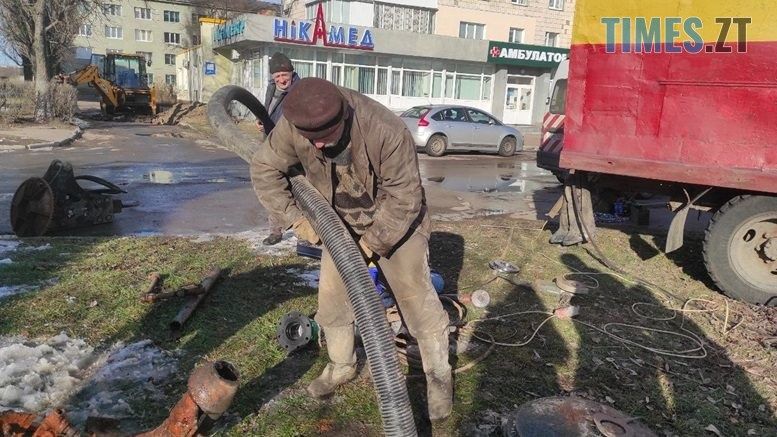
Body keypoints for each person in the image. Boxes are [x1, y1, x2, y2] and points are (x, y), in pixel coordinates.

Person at [250, 77, 453, 420]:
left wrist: (371, 245)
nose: (317, 147)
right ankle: (342, 365)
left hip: (397, 223)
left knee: (418, 303)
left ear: (343, 116)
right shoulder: (296, 125)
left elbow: (404, 197)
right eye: (310, 140)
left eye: (324, 139)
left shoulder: (385, 129)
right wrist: (300, 223)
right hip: (340, 225)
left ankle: (438, 378)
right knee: (332, 303)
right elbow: (264, 168)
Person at [258, 52, 299, 246]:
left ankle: (304, 231)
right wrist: (262, 121)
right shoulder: (271, 89)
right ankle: (276, 231)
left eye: (285, 75)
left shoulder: (300, 90)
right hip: (271, 144)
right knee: (273, 188)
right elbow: (269, 112)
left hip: (294, 149)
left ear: (292, 73)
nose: (282, 79)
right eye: (277, 76)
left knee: (298, 191)